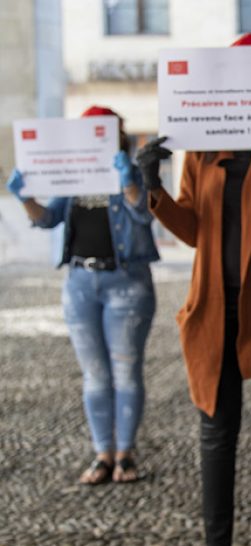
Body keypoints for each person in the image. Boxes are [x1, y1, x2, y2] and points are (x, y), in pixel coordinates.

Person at [135, 32, 251, 546]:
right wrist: (153, 184)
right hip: (216, 310)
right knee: (217, 436)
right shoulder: (200, 151)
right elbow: (194, 229)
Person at [5, 105, 158, 485]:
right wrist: (23, 196)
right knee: (94, 375)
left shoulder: (135, 172)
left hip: (127, 282)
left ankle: (125, 454)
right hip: (79, 282)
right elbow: (47, 219)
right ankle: (102, 454)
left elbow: (145, 215)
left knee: (125, 371)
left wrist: (129, 182)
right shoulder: (72, 176)